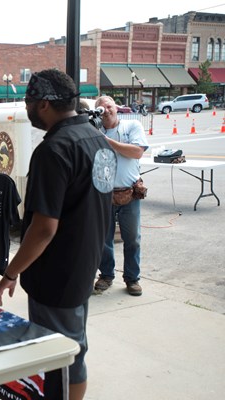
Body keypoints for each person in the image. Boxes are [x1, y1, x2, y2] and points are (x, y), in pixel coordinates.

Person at [0, 69, 116, 400]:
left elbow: (44, 229)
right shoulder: (96, 138)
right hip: (84, 265)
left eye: (29, 102)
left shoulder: (54, 150)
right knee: (74, 350)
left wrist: (10, 273)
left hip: (57, 274)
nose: (27, 109)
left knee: (58, 357)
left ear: (44, 103)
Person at [94, 95, 148, 297]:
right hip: (102, 195)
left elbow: (137, 152)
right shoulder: (94, 130)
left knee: (132, 238)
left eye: (109, 106)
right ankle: (106, 275)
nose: (106, 110)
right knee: (103, 239)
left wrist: (106, 141)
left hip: (129, 193)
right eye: (101, 108)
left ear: (116, 108)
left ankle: (132, 279)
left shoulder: (132, 126)